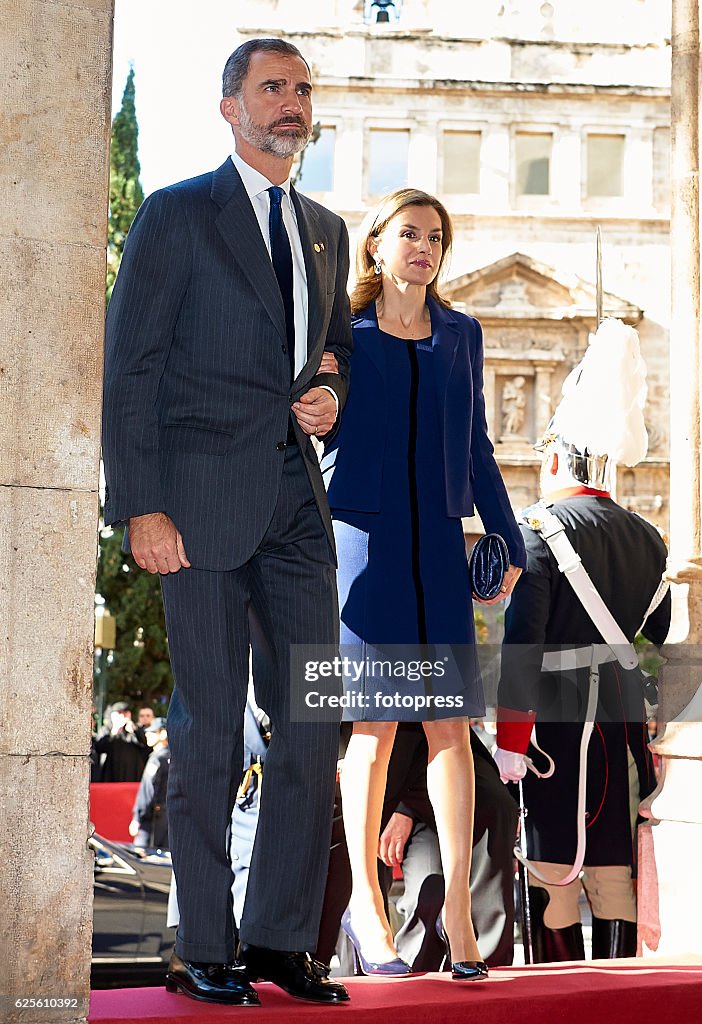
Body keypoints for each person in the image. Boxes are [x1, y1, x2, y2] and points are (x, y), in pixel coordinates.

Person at [102, 37, 352, 1007]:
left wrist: (332, 385)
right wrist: (141, 507)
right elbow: (130, 370)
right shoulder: (175, 216)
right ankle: (199, 942)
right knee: (207, 731)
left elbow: (331, 347)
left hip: (298, 510)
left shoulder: (327, 228)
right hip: (194, 511)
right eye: (271, 87)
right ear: (230, 105)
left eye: (299, 89)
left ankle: (279, 941)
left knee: (312, 725)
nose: (289, 103)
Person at [319, 188, 526, 979]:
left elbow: (475, 444)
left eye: (435, 237)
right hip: (364, 545)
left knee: (448, 728)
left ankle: (462, 931)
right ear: (376, 245)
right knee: (371, 728)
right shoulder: (344, 333)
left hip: (439, 546)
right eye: (409, 234)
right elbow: (318, 426)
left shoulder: (461, 336)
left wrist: (503, 536)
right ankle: (367, 912)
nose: (424, 248)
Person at [495, 318, 671, 962]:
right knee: (614, 869)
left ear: (552, 459)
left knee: (551, 871)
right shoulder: (648, 537)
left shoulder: (538, 528)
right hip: (623, 725)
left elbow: (523, 647)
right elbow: (666, 633)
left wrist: (511, 742)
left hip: (555, 728)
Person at [314, 724, 519, 973]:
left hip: (430, 734)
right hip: (347, 727)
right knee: (333, 838)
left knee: (493, 806)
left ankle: (467, 931)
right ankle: (330, 963)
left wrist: (404, 811)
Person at [130, 718, 170, 849]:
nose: (147, 734)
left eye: (152, 732)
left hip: (153, 818)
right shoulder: (174, 756)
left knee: (142, 856)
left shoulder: (157, 759)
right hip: (167, 817)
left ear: (163, 733)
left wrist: (138, 816)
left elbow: (148, 790)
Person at [93, 702, 150, 782]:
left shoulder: (134, 730)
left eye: (125, 713)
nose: (122, 716)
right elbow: (99, 747)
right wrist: (114, 731)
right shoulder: (106, 730)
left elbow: (145, 745)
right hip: (111, 777)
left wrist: (134, 730)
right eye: (119, 713)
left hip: (132, 777)